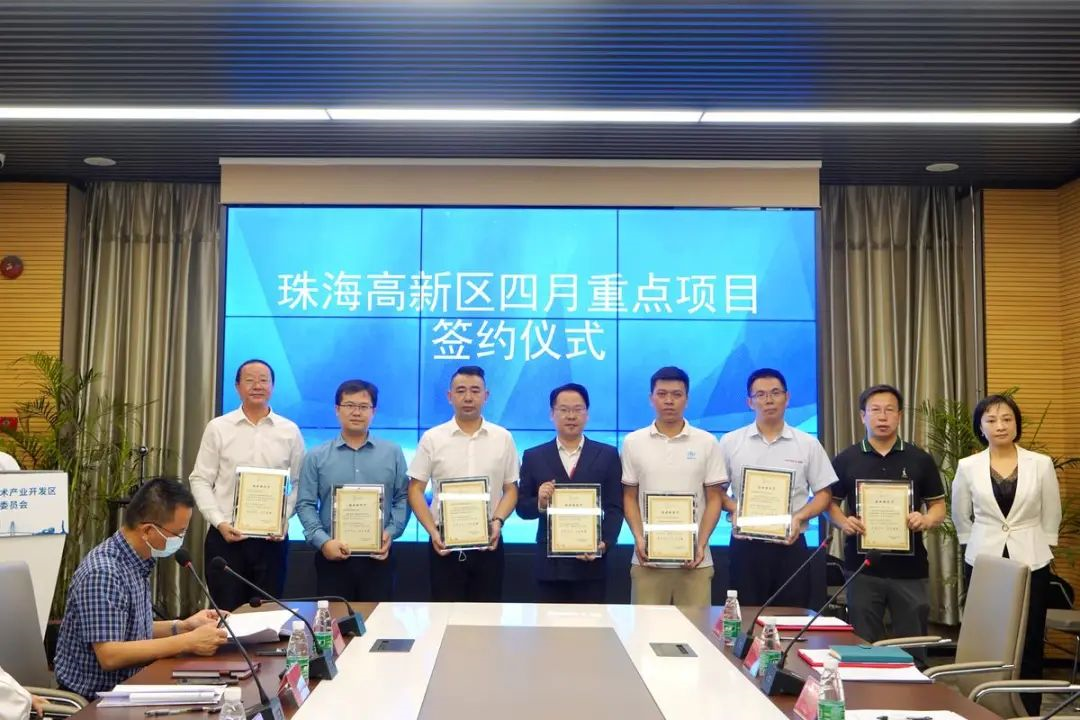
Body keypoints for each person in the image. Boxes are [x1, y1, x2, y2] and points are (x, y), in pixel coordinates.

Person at [54, 478, 228, 699]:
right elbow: (110, 654)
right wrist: (188, 642)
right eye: (178, 534)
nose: (181, 541)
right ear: (147, 531)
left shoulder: (135, 561)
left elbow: (129, 627)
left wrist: (183, 626)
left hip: (133, 685)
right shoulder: (104, 572)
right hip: (96, 701)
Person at [953, 393, 1061, 715]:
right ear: (981, 427)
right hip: (983, 559)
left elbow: (1051, 511)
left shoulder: (1040, 464)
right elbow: (961, 514)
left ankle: (1029, 710)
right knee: (986, 636)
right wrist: (972, 543)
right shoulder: (968, 466)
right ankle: (984, 707)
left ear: (1016, 424)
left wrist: (1043, 543)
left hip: (1032, 557)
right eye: (991, 420)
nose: (1000, 425)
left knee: (1030, 638)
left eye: (1006, 419)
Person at [829, 384, 945, 659]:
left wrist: (926, 519)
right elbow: (829, 504)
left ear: (899, 415)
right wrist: (843, 522)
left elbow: (938, 506)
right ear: (863, 416)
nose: (882, 417)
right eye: (875, 410)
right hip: (862, 568)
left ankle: (915, 686)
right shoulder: (846, 459)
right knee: (863, 646)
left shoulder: (920, 459)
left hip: (910, 570)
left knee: (912, 648)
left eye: (889, 410)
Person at [189, 359, 305, 611]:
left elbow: (299, 483)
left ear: (272, 386)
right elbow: (200, 479)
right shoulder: (218, 428)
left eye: (264, 380)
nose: (257, 386)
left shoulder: (289, 431)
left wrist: (283, 518)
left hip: (272, 542)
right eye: (250, 380)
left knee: (268, 613)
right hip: (226, 538)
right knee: (227, 614)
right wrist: (219, 522)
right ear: (237, 386)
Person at [720, 368, 838, 608]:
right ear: (749, 402)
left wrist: (799, 516)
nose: (769, 400)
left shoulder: (807, 443)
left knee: (791, 615)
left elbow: (824, 494)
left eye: (775, 393)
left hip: (790, 546)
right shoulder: (730, 442)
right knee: (746, 615)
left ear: (787, 397)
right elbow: (716, 493)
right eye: (760, 394)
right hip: (746, 545)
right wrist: (735, 509)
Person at [407, 365, 519, 602]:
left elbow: (511, 489)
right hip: (444, 545)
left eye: (475, 391)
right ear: (450, 396)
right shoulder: (432, 438)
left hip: (489, 542)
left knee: (487, 617)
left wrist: (498, 521)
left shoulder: (503, 438)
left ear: (486, 396)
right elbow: (415, 489)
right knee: (443, 616)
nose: (468, 397)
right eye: (461, 391)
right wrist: (432, 531)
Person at [296, 379, 410, 601]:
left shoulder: (393, 453)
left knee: (378, 620)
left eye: (363, 406)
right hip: (332, 559)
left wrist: (390, 532)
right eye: (349, 405)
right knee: (336, 621)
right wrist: (323, 541)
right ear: (337, 409)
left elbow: (403, 497)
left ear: (373, 411)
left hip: (379, 557)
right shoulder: (316, 456)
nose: (356, 412)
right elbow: (305, 504)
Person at [621, 366, 726, 606]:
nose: (669, 401)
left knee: (695, 629)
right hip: (647, 562)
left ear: (687, 399)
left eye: (677, 394)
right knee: (644, 627)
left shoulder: (707, 442)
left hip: (695, 562)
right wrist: (639, 538)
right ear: (651, 398)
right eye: (662, 394)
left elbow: (714, 499)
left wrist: (700, 544)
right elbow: (629, 496)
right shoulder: (633, 442)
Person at [516, 383, 624, 603]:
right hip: (550, 567)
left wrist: (604, 543)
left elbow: (615, 507)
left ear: (587, 414)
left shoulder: (607, 455)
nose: (571, 416)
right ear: (552, 414)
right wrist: (540, 502)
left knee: (592, 623)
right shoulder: (534, 456)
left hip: (591, 563)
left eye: (578, 409)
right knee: (548, 623)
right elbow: (522, 509)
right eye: (564, 410)